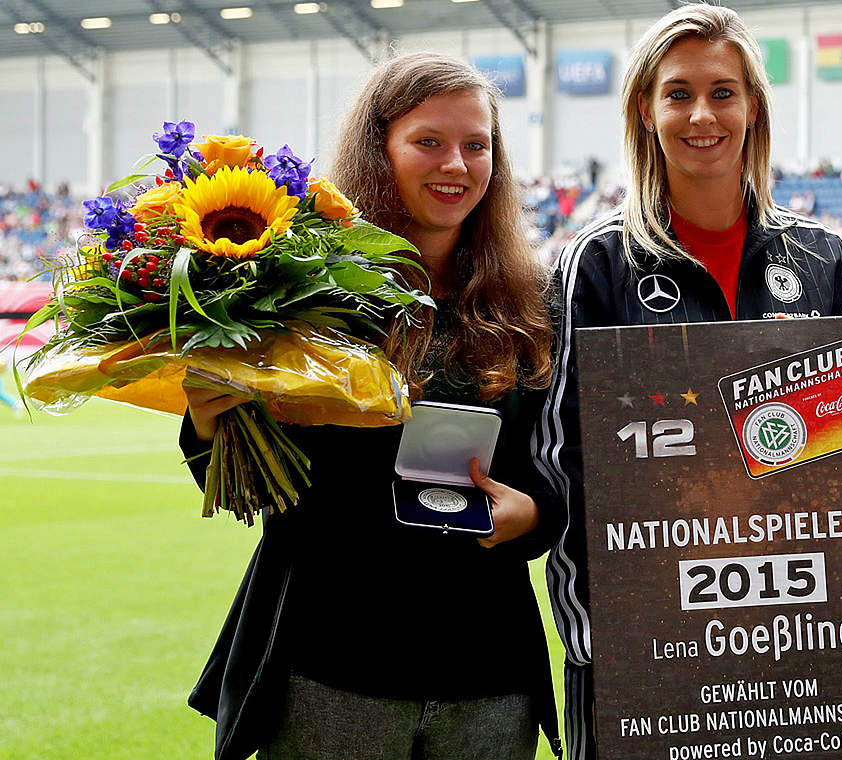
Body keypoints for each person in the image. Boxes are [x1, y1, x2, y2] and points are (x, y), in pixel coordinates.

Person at [180, 52, 562, 760]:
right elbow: (247, 480)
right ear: (378, 148)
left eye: (476, 145)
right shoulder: (300, 288)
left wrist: (536, 514)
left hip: (486, 667)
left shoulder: (532, 301)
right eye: (428, 141)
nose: (456, 163)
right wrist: (209, 421)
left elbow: (556, 465)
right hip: (332, 662)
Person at [532, 6, 842, 760]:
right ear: (645, 110)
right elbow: (559, 458)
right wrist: (597, 635)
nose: (702, 114)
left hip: (794, 641)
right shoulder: (598, 263)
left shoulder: (821, 259)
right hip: (643, 648)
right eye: (678, 94)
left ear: (753, 106)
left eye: (723, 91)